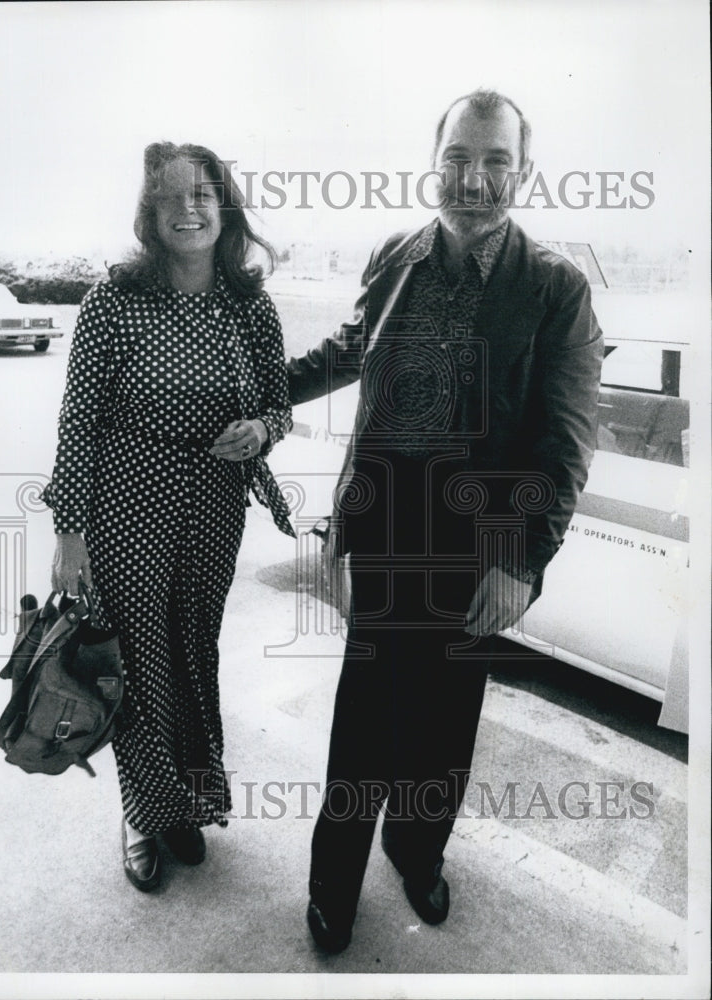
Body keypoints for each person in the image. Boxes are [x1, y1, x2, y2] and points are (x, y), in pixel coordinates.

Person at [287, 89, 604, 951]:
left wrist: (519, 560)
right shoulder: (397, 255)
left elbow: (564, 442)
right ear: (434, 163)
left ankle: (417, 852)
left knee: (442, 720)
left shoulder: (554, 288)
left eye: (495, 160)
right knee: (361, 719)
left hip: (478, 543)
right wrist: (261, 395)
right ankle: (331, 888)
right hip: (385, 523)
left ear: (522, 173)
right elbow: (349, 351)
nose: (473, 178)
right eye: (458, 158)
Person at [43, 141, 293, 892]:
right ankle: (143, 813)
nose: (189, 209)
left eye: (203, 195)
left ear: (225, 209)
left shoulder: (250, 306)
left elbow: (277, 404)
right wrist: (69, 533)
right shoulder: (111, 303)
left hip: (214, 509)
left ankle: (185, 798)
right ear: (149, 215)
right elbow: (78, 421)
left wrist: (261, 430)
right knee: (140, 660)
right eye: (171, 198)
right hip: (125, 504)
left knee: (193, 653)